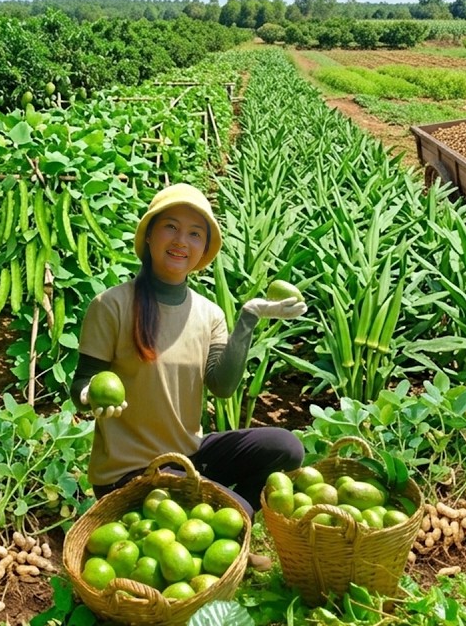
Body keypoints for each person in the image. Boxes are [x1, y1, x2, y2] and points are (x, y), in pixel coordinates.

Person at [70, 183, 307, 525]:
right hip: (129, 471)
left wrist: (249, 317)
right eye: (171, 227)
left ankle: (225, 519)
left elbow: (222, 386)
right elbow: (82, 382)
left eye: (195, 233)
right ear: (149, 236)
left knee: (286, 448)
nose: (182, 240)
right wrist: (90, 394)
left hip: (187, 456)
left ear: (204, 248)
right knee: (228, 512)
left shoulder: (209, 314)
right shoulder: (111, 305)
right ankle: (226, 521)